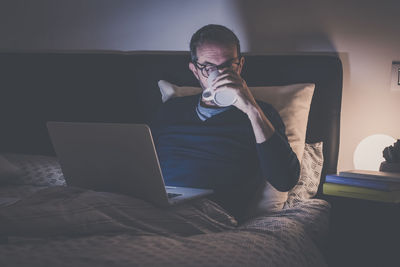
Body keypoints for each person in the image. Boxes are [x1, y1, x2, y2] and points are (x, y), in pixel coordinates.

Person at [150, 24, 300, 220]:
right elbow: (137, 164)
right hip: (156, 203)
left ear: (240, 65)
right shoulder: (171, 109)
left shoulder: (262, 115)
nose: (220, 74)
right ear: (195, 70)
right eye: (209, 67)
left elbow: (285, 179)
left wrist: (250, 108)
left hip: (211, 212)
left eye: (228, 66)